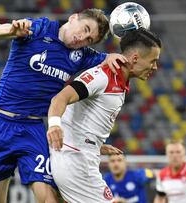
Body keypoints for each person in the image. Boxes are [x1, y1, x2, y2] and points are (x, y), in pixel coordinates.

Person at [0, 8, 128, 203]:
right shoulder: (40, 28)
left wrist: (111, 56)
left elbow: (107, 59)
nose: (83, 38)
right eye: (85, 28)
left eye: (90, 39)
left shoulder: (82, 55)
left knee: (49, 197)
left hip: (32, 129)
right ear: (73, 18)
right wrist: (12, 30)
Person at [47, 28, 161, 203]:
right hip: (76, 162)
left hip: (81, 155)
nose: (155, 67)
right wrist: (54, 125)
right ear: (135, 59)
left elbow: (79, 118)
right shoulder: (103, 76)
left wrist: (95, 144)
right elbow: (60, 98)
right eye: (153, 61)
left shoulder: (119, 83)